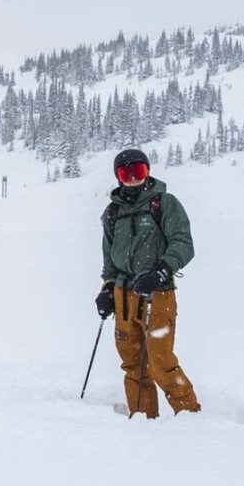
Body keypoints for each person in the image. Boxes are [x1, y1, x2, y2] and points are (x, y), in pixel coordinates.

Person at [95, 148, 198, 417]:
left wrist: (162, 271)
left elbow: (183, 243)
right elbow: (109, 257)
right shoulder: (112, 212)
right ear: (117, 177)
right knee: (132, 363)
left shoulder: (163, 203)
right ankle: (142, 420)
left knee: (160, 361)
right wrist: (107, 289)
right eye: (125, 174)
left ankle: (190, 416)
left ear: (148, 172)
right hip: (123, 295)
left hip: (157, 294)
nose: (132, 179)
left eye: (138, 173)